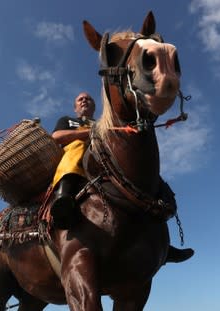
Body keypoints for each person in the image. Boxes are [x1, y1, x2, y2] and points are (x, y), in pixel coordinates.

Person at [50, 92, 194, 263]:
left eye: (88, 99)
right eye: (80, 99)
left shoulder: (102, 122)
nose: (84, 101)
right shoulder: (67, 121)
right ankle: (63, 197)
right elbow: (57, 137)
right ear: (75, 107)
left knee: (137, 170)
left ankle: (162, 244)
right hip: (79, 156)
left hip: (102, 159)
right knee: (77, 147)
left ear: (94, 106)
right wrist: (90, 133)